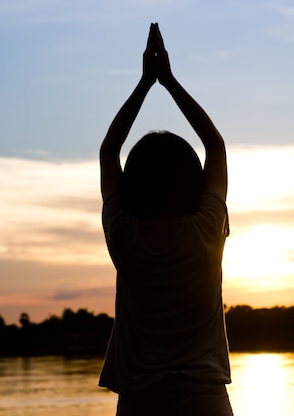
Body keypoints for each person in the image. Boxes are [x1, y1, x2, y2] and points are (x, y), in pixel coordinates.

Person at [98, 23, 233, 416]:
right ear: (192, 180)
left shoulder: (124, 232)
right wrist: (169, 82)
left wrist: (145, 83)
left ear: (133, 182)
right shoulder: (206, 228)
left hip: (141, 399)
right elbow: (216, 146)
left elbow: (109, 152)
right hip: (204, 396)